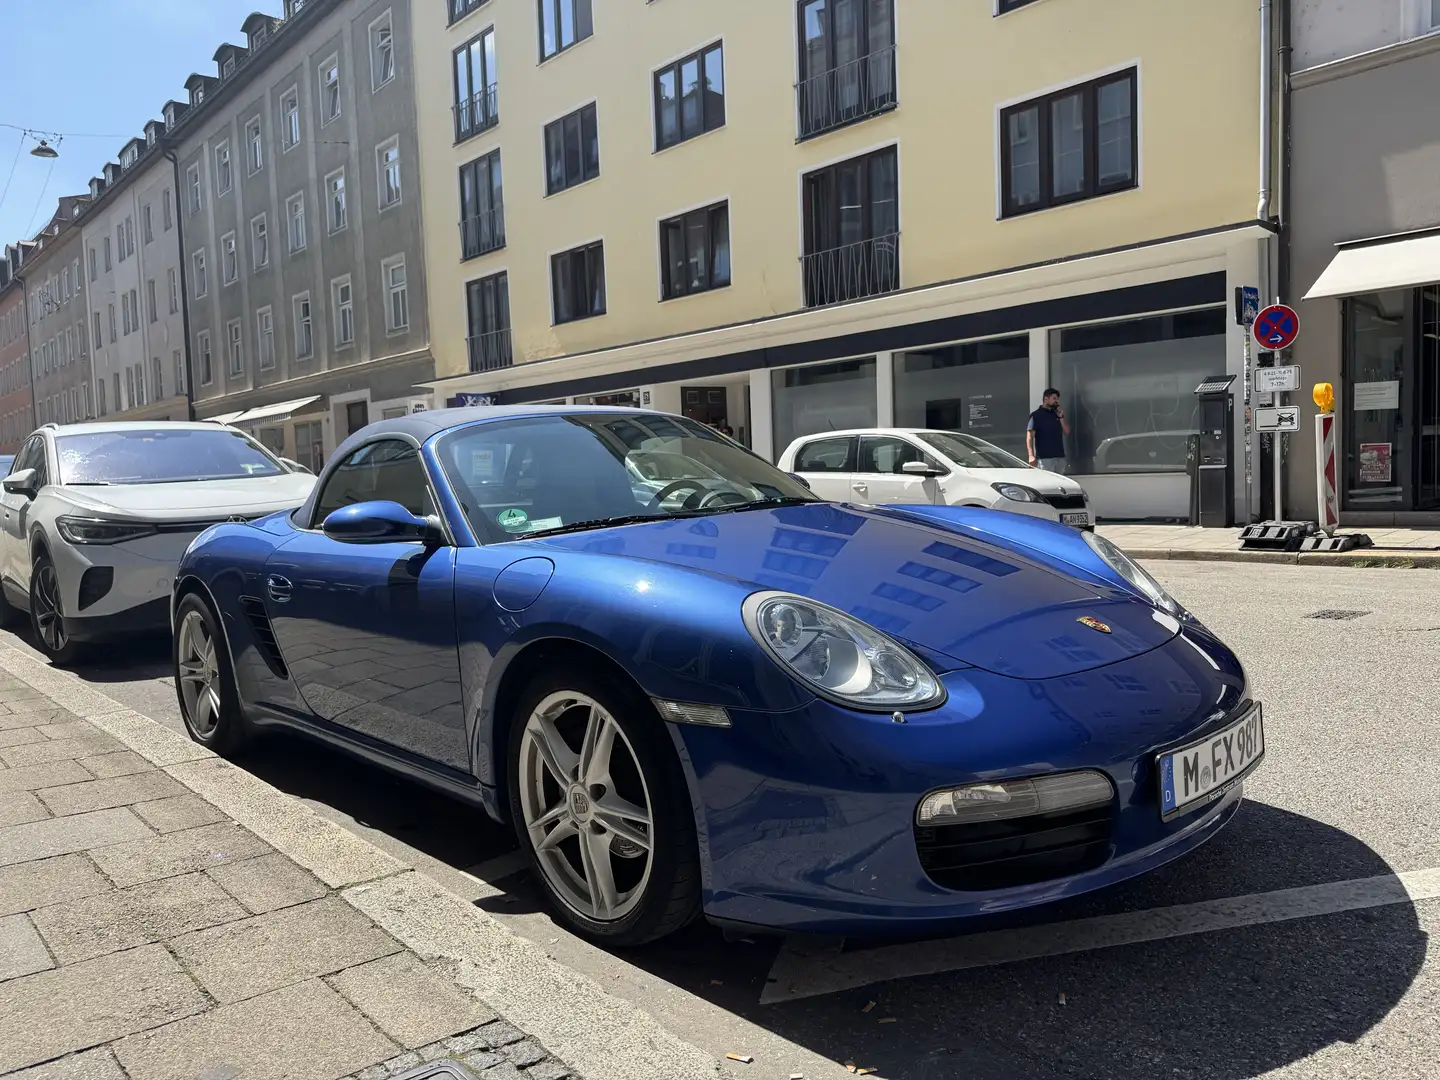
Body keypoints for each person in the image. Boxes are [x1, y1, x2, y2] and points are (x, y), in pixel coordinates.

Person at [1026, 388, 1071, 473]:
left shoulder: (1057, 414)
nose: (1056, 401)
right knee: (1047, 483)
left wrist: (1061, 417)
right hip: (1044, 458)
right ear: (1046, 399)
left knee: (1060, 483)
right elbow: (1029, 437)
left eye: (1057, 399)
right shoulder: (1036, 415)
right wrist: (1031, 455)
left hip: (1060, 456)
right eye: (1054, 398)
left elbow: (1067, 431)